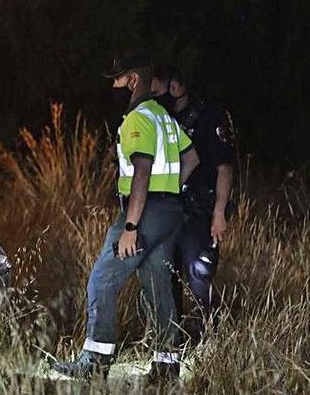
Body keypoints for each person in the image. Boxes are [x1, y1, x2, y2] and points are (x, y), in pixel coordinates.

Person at [52, 49, 200, 383]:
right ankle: (166, 365)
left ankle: (96, 360)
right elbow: (192, 159)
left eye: (118, 78)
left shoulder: (137, 119)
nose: (115, 84)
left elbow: (142, 173)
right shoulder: (164, 116)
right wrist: (171, 190)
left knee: (102, 279)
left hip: (144, 213)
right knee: (158, 285)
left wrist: (131, 226)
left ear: (133, 79)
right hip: (171, 212)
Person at [151, 64, 236, 341]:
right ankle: (172, 338)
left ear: (177, 85)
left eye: (159, 88)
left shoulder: (209, 117)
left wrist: (219, 211)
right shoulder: (160, 119)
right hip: (169, 209)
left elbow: (225, 166)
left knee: (199, 271)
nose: (156, 95)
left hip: (200, 210)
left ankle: (207, 335)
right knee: (167, 274)